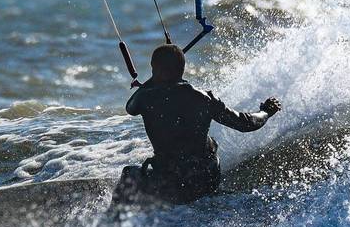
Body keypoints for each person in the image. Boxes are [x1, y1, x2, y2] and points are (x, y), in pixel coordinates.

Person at [115, 43, 281, 204]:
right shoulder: (204, 98)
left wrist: (154, 79)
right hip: (205, 182)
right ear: (182, 69)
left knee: (129, 173)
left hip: (169, 184)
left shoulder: (145, 99)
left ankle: (114, 222)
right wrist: (266, 111)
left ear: (155, 69)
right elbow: (246, 123)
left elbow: (130, 107)